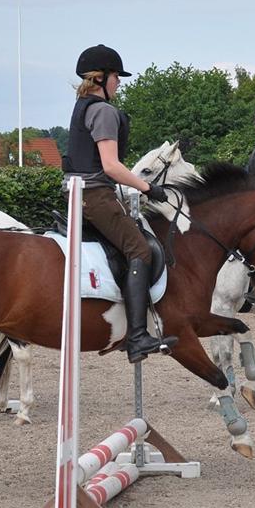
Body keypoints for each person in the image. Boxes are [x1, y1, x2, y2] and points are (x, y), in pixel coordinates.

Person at [63, 44, 175, 363]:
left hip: (74, 192)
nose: (119, 82)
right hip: (96, 195)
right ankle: (138, 336)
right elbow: (110, 166)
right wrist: (148, 188)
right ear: (100, 79)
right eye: (116, 76)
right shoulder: (103, 111)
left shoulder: (82, 107)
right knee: (139, 249)